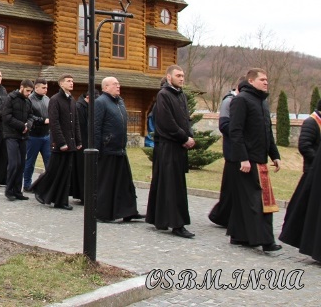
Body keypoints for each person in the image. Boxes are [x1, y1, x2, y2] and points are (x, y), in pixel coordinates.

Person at [226, 68, 282, 252]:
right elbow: (235, 131)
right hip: (246, 161)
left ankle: (239, 236)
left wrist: (275, 155)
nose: (266, 82)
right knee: (256, 201)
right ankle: (265, 240)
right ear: (251, 81)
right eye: (262, 80)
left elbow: (267, 132)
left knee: (255, 200)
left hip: (260, 160)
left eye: (267, 79)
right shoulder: (241, 100)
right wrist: (243, 158)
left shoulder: (262, 102)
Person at [145, 65, 196, 238]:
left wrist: (190, 135)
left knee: (170, 184)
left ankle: (160, 219)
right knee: (172, 186)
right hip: (168, 146)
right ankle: (177, 224)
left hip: (178, 146)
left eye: (183, 75)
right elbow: (167, 123)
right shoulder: (164, 95)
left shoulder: (180, 95)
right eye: (178, 75)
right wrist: (184, 138)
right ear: (169, 77)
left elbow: (185, 119)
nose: (182, 78)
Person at [94, 77, 143, 222]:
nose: (118, 86)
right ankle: (103, 213)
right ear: (105, 87)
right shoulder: (100, 102)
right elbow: (95, 127)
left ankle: (128, 211)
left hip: (120, 148)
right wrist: (97, 149)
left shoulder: (120, 102)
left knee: (125, 184)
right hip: (107, 149)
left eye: (118, 84)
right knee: (106, 184)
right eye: (115, 84)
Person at [33, 74, 82, 210]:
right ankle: (42, 191)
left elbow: (76, 122)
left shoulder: (72, 100)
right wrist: (61, 142)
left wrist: (78, 140)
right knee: (55, 170)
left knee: (66, 172)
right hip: (60, 144)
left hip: (70, 143)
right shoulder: (55, 100)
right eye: (68, 81)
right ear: (61, 84)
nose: (71, 83)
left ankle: (60, 200)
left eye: (72, 81)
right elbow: (54, 123)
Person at [279, 99, 321, 254]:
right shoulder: (311, 122)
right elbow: (304, 145)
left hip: (315, 171)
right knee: (302, 206)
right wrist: (317, 162)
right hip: (312, 170)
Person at [208, 78, 243, 227]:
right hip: (231, 149)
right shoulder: (228, 102)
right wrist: (240, 133)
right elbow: (224, 125)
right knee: (230, 187)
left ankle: (225, 215)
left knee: (234, 187)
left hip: (240, 149)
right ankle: (220, 215)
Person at [3, 79, 34, 201]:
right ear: (21, 87)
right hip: (11, 135)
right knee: (14, 163)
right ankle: (9, 190)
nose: (28, 93)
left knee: (21, 164)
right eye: (27, 91)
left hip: (23, 136)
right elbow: (6, 117)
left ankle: (17, 191)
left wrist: (29, 125)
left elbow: (31, 115)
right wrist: (22, 126)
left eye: (30, 91)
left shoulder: (28, 101)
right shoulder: (10, 98)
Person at [24, 78, 50, 192]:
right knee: (30, 162)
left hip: (46, 135)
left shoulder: (47, 99)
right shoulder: (29, 99)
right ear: (36, 87)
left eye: (46, 88)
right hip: (33, 135)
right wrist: (42, 120)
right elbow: (28, 116)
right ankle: (27, 184)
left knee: (49, 162)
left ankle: (48, 184)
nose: (46, 90)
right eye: (43, 88)